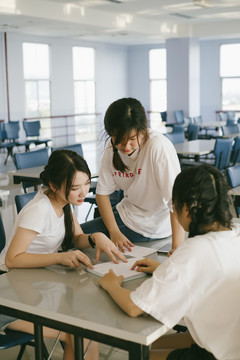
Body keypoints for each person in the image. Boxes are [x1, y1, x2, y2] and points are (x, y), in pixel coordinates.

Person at [98, 164, 240, 360]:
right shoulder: (235, 233)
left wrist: (111, 285)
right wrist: (167, 268)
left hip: (216, 354)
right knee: (148, 347)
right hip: (228, 344)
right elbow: (213, 269)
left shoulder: (195, 250)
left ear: (186, 209)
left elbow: (134, 307)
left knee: (138, 354)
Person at [0, 149, 126, 360]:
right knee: (77, 332)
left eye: (86, 183)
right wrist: (59, 257)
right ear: (54, 186)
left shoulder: (64, 203)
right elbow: (12, 259)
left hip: (32, 287)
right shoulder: (39, 210)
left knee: (86, 327)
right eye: (75, 188)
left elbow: (76, 237)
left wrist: (96, 237)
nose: (83, 192)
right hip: (8, 297)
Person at [81, 97, 185, 253]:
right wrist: (114, 232)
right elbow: (102, 194)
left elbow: (176, 200)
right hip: (129, 217)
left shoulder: (158, 147)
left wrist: (177, 247)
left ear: (143, 130)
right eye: (120, 140)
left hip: (151, 226)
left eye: (131, 139)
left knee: (74, 237)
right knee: (76, 236)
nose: (126, 146)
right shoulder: (111, 149)